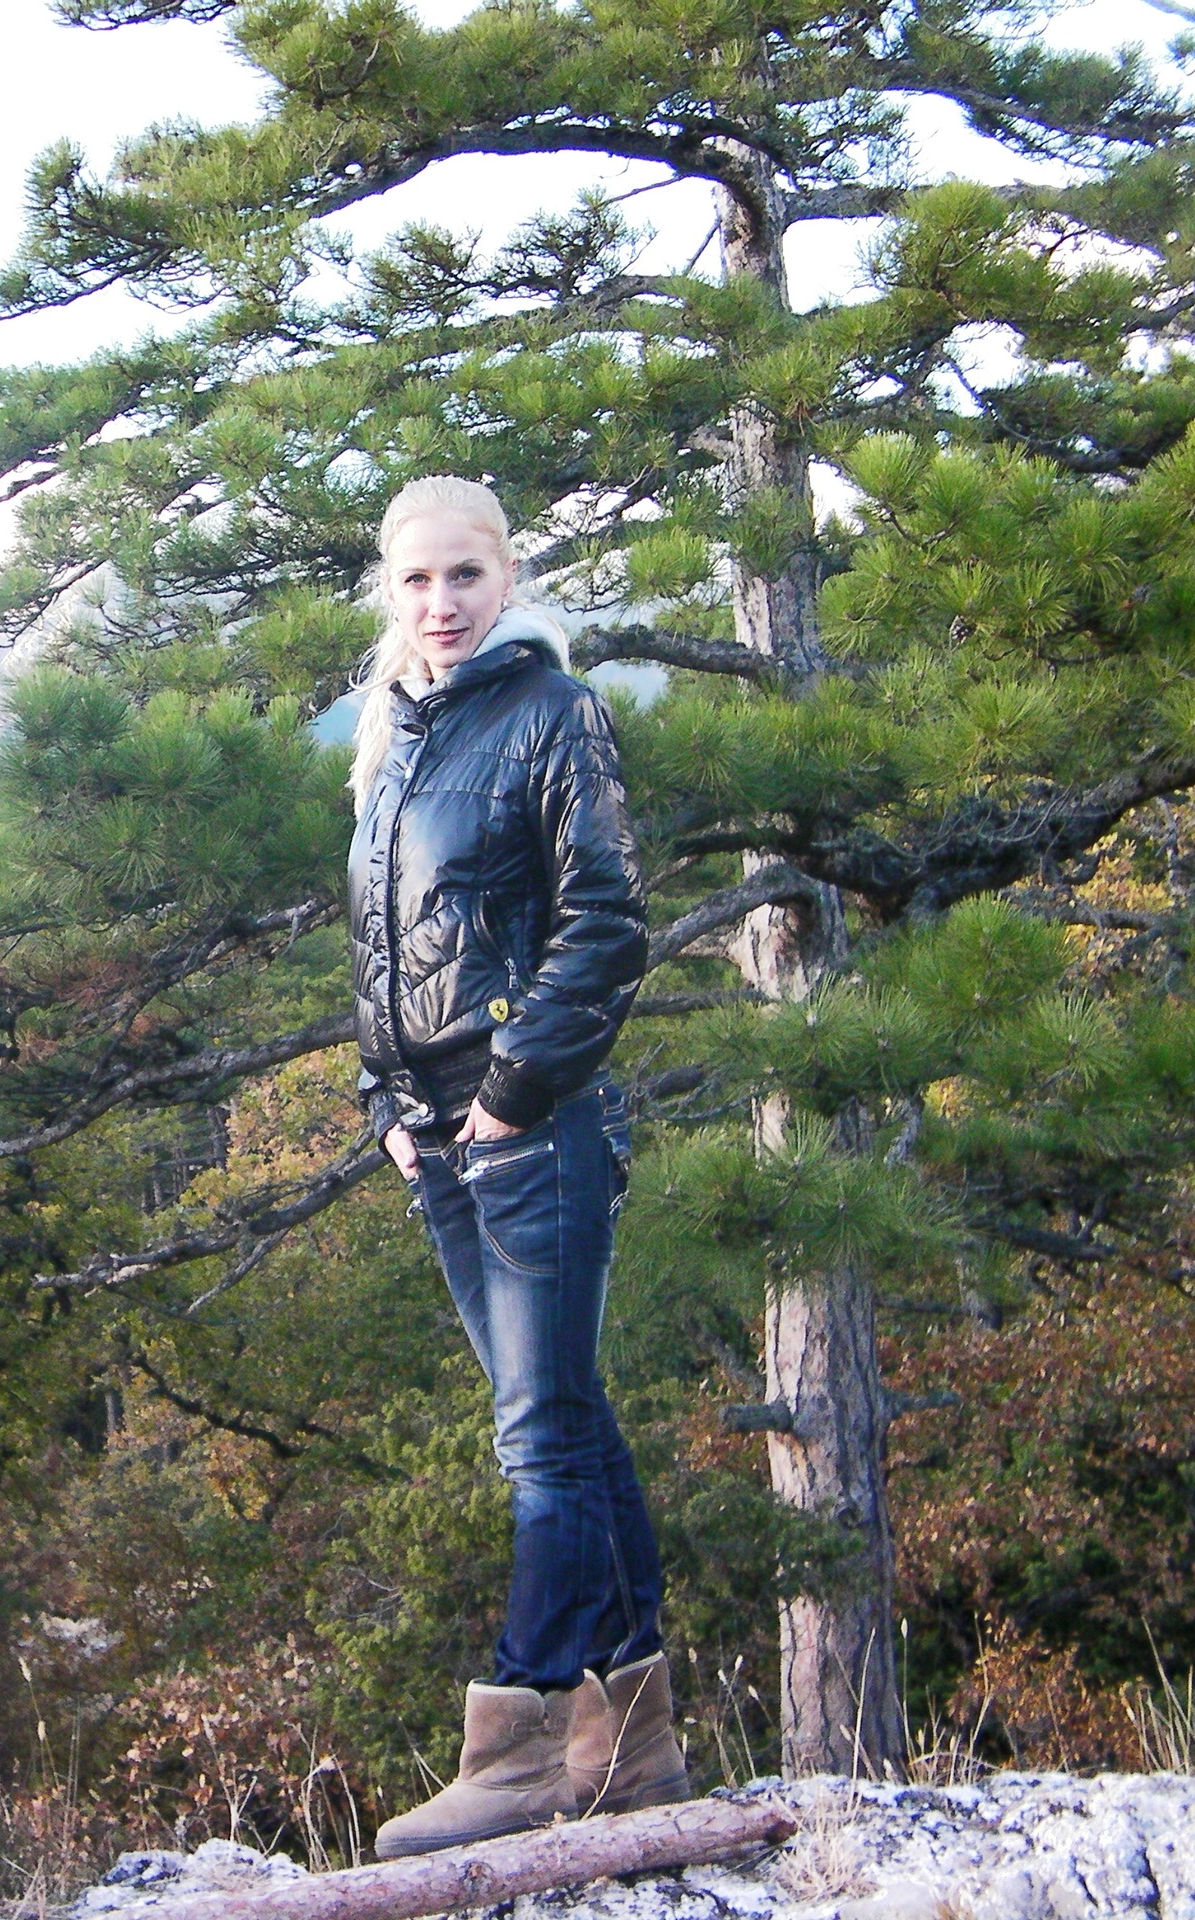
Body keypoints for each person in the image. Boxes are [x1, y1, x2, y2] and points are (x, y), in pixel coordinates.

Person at [346, 476, 688, 1858]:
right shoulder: (397, 733)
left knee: (538, 1437)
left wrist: (506, 1090)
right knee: (570, 1423)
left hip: (529, 1123)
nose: (441, 604)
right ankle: (635, 1745)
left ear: (508, 575)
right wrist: (387, 1097)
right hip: (438, 1134)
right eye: (418, 581)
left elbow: (607, 920)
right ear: (391, 589)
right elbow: (384, 939)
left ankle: (523, 1738)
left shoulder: (555, 712)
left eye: (465, 576)